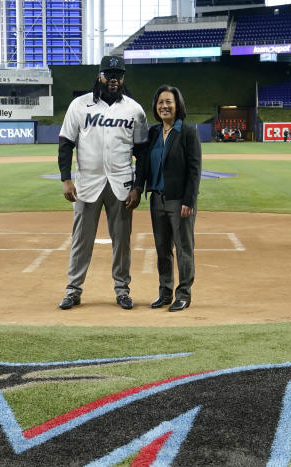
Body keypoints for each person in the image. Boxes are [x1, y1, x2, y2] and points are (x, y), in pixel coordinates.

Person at [57, 55, 148, 310]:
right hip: (87, 184)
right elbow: (65, 144)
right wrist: (66, 179)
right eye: (109, 74)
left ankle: (122, 290)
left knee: (122, 242)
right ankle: (73, 290)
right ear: (100, 76)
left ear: (123, 78)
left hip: (121, 184)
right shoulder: (79, 105)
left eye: (118, 75)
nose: (114, 79)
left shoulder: (134, 110)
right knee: (81, 240)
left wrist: (138, 187)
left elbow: (141, 153)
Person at [133, 84, 202, 312]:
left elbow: (194, 169)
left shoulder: (188, 132)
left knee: (183, 248)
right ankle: (165, 292)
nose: (164, 106)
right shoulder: (153, 133)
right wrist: (138, 186)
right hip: (157, 199)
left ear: (177, 105)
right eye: (160, 102)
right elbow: (142, 164)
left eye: (168, 102)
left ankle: (183, 294)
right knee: (162, 249)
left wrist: (189, 201)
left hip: (178, 200)